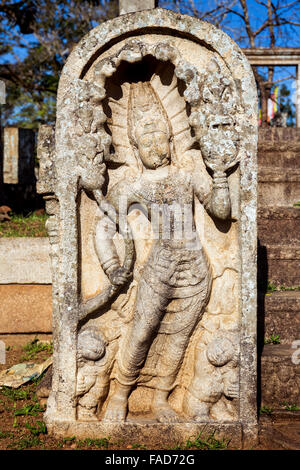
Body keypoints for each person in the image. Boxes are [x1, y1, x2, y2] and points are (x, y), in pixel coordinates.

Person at [94, 81, 231, 423]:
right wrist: (112, 266)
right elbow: (102, 228)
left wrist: (220, 176)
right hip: (160, 268)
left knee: (180, 337)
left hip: (196, 271)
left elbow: (221, 212)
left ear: (171, 140)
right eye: (147, 141)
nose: (156, 146)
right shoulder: (134, 187)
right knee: (142, 332)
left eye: (160, 138)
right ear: (135, 147)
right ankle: (120, 394)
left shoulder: (187, 177)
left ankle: (160, 399)